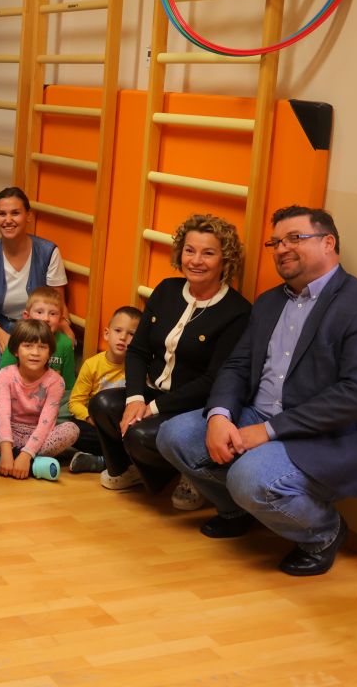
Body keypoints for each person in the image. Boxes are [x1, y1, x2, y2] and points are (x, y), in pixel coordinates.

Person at [157, 207, 357, 576]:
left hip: (327, 434)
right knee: (174, 435)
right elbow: (237, 366)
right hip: (257, 414)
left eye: (294, 238)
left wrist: (268, 431)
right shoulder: (270, 301)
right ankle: (237, 509)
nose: (282, 248)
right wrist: (220, 415)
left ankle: (324, 533)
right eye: (276, 242)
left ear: (328, 243)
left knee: (249, 477)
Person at [91, 214, 251, 510]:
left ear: (225, 260)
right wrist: (135, 399)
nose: (196, 260)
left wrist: (152, 408)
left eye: (208, 253)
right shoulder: (166, 290)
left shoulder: (237, 311)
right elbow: (138, 351)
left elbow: (214, 380)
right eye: (190, 250)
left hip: (192, 407)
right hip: (153, 392)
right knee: (102, 404)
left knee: (139, 433)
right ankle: (132, 471)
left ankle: (190, 473)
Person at [0, 187, 68, 365]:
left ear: (28, 216)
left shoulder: (48, 252)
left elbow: (58, 303)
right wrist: (1, 336)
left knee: (54, 352)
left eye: (15, 213)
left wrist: (65, 325)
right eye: (2, 214)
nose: (8, 220)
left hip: (38, 326)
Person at [0, 319, 80, 478]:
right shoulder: (5, 375)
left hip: (39, 435)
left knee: (71, 430)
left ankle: (21, 460)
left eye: (42, 347)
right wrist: (6, 450)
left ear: (49, 353)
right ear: (16, 351)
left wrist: (27, 453)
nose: (35, 352)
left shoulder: (55, 381)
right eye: (28, 346)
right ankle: (32, 464)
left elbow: (46, 423)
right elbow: (3, 415)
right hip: (9, 432)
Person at [67, 306, 142, 475]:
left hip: (123, 428)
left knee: (136, 439)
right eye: (118, 331)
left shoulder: (140, 369)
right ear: (107, 334)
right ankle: (114, 460)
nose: (123, 338)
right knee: (72, 429)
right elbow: (75, 403)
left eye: (131, 334)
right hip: (97, 427)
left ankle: (103, 461)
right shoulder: (92, 365)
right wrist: (91, 419)